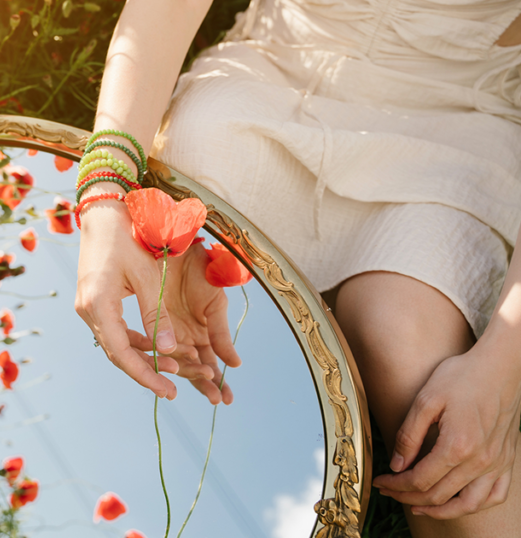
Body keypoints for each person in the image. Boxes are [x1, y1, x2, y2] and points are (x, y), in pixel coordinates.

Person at [72, 0, 521, 536]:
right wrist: (105, 191)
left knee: (417, 378)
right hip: (272, 76)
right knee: (177, 281)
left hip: (460, 122)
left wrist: (501, 367)